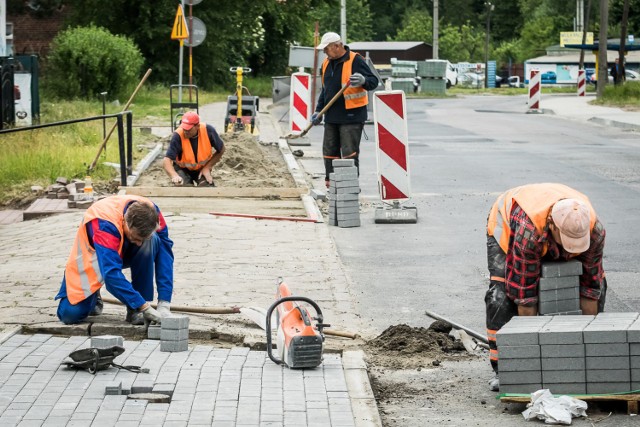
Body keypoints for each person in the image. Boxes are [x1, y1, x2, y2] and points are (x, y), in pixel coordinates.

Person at [485, 183, 607, 391]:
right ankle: (503, 368)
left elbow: (590, 287)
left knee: (599, 286)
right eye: (567, 241)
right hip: (508, 229)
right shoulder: (529, 231)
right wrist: (533, 360)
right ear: (552, 225)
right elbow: (525, 296)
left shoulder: (594, 231)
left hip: (548, 225)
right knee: (502, 294)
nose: (571, 249)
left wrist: (587, 349)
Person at [56, 195, 175, 326]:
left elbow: (165, 255)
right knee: (69, 315)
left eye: (142, 238)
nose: (139, 243)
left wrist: (164, 303)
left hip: (121, 250)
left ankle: (135, 310)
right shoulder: (104, 224)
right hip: (95, 258)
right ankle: (97, 296)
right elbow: (111, 275)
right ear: (125, 222)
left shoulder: (153, 213)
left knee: (151, 241)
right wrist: (145, 307)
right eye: (135, 237)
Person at [311, 32, 379, 188]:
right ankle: (332, 184)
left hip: (351, 116)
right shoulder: (326, 64)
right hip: (331, 117)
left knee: (349, 153)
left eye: (326, 49)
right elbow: (325, 91)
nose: (325, 52)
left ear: (337, 46)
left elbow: (373, 81)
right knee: (329, 151)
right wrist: (318, 111)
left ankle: (349, 186)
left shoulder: (355, 60)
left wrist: (363, 80)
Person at [163, 111, 225, 187]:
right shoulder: (178, 135)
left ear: (197, 126)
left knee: (207, 187)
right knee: (184, 187)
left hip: (201, 168)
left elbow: (221, 149)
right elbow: (167, 160)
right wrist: (174, 175)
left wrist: (207, 168)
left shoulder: (208, 131)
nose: (185, 131)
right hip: (182, 169)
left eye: (188, 129)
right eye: (184, 128)